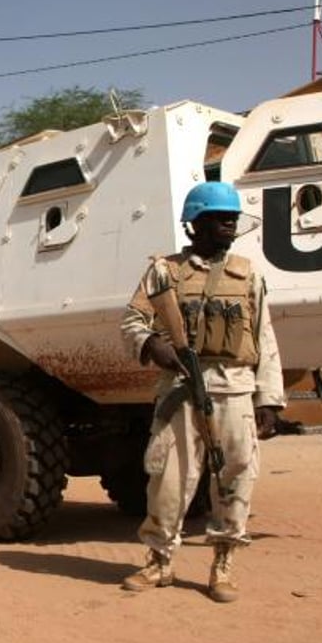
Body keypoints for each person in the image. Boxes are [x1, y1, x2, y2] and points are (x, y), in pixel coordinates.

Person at [119, 181, 286, 603]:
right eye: (218, 218)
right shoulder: (164, 272)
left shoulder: (249, 274)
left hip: (234, 391)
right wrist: (152, 345)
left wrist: (268, 398)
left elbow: (264, 336)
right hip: (179, 389)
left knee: (236, 476)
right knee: (169, 480)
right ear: (195, 224)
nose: (229, 224)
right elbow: (132, 322)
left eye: (231, 217)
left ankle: (223, 563)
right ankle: (159, 562)